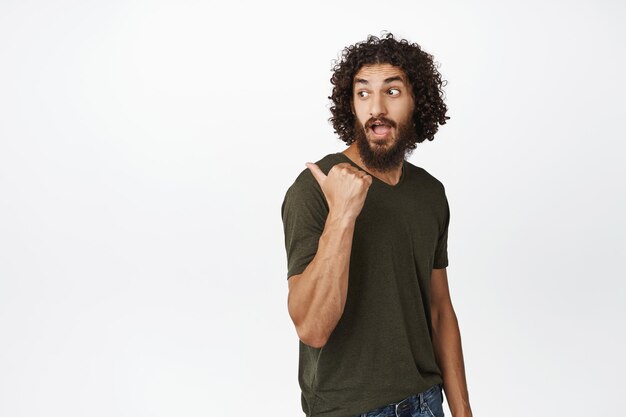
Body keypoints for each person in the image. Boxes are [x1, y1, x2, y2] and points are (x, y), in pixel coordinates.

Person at [281, 33, 473, 417]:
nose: (377, 108)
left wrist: (462, 411)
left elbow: (439, 310)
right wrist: (342, 214)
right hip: (351, 409)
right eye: (363, 93)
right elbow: (312, 329)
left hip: (426, 402)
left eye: (393, 91)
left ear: (417, 100)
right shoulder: (316, 188)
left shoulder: (429, 192)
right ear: (349, 104)